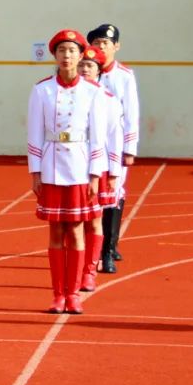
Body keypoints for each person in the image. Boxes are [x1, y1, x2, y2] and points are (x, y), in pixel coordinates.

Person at [27, 30, 107, 314]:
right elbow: (35, 132)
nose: (67, 56)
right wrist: (35, 171)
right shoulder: (42, 89)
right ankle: (57, 293)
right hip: (51, 165)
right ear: (55, 55)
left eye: (72, 50)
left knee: (75, 229)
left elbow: (98, 136)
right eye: (61, 50)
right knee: (55, 230)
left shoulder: (93, 92)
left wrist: (96, 174)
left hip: (80, 166)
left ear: (80, 54)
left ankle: (73, 293)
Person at [86, 24, 139, 274]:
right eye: (97, 43)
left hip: (114, 146)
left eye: (106, 43)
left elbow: (131, 114)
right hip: (88, 146)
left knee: (114, 193)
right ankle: (95, 247)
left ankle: (108, 249)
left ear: (116, 46)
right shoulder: (86, 74)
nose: (101, 47)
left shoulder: (124, 76)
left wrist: (130, 148)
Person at [76, 46, 123, 293]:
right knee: (73, 222)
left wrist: (114, 171)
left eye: (90, 66)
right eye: (81, 64)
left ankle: (89, 271)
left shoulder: (108, 98)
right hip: (73, 166)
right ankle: (75, 269)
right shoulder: (71, 94)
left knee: (94, 221)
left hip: (100, 165)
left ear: (99, 70)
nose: (84, 69)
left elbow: (115, 136)